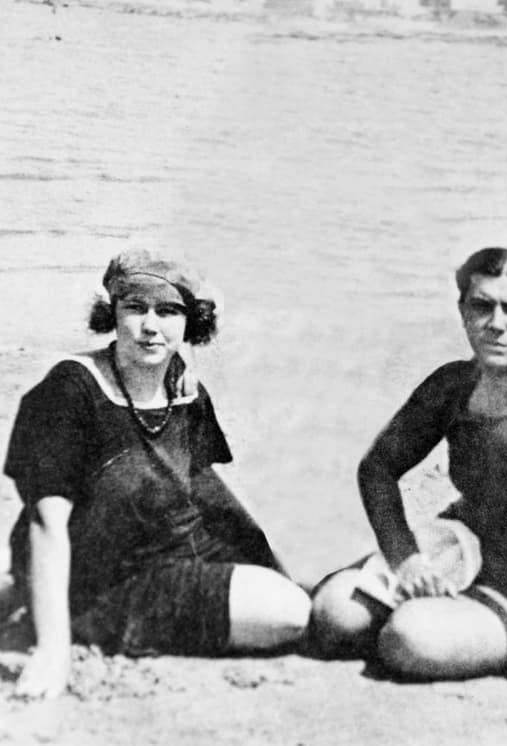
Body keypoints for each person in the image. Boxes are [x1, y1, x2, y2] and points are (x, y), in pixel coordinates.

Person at [311, 248, 507, 719]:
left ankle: (466, 627)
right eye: (482, 306)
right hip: (465, 553)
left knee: (409, 639)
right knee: (333, 614)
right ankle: (445, 613)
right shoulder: (453, 385)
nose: (496, 324)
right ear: (462, 310)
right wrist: (406, 559)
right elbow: (377, 469)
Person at [3, 250, 310, 699]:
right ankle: (59, 616)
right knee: (289, 613)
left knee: (300, 598)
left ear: (190, 322)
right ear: (111, 312)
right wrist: (53, 650)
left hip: (167, 549)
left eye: (168, 311)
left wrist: (268, 564)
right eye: (135, 308)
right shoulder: (70, 390)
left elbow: (205, 489)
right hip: (97, 579)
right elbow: (45, 521)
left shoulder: (184, 389)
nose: (151, 326)